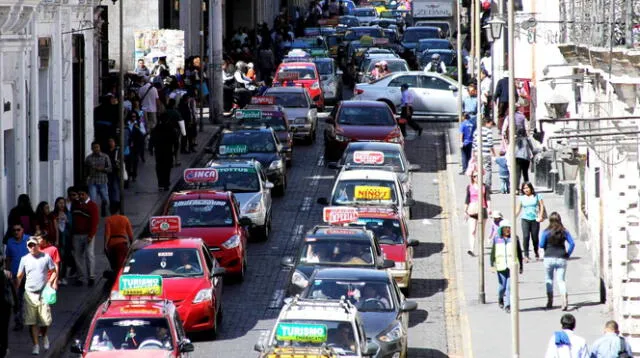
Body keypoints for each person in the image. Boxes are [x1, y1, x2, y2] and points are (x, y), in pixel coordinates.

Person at [15, 236, 57, 355]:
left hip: (43, 294)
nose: (32, 247)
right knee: (32, 322)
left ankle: (44, 336)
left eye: (34, 245)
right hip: (29, 294)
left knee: (45, 321)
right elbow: (19, 276)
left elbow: (53, 271)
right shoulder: (24, 259)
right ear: (27, 247)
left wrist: (50, 283)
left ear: (38, 245)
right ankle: (36, 345)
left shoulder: (46, 257)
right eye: (30, 245)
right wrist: (15, 289)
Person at [539, 212, 575, 311]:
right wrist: (568, 254)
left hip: (549, 257)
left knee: (549, 279)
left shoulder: (546, 232)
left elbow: (541, 244)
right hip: (561, 257)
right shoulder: (564, 231)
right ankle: (564, 300)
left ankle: (550, 301)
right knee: (561, 280)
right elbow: (572, 244)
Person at [489, 220, 523, 312]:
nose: (508, 230)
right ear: (501, 229)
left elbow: (519, 252)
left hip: (512, 267)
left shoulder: (515, 238)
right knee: (502, 287)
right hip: (501, 266)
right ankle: (500, 298)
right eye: (506, 228)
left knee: (509, 287)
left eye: (509, 228)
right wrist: (492, 264)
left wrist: (521, 266)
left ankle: (508, 305)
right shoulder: (496, 239)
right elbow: (493, 253)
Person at [71, 185, 99, 286]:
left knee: (89, 255)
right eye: (80, 194)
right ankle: (80, 277)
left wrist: (91, 235)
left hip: (87, 234)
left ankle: (91, 276)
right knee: (77, 256)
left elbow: (94, 222)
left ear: (87, 194)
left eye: (83, 194)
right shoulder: (75, 205)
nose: (81, 196)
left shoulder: (92, 206)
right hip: (76, 235)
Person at [5, 223, 29, 331]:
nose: (16, 232)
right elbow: (8, 258)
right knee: (17, 300)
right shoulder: (10, 242)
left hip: (29, 275)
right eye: (14, 230)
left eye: (18, 230)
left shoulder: (29, 240)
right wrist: (8, 272)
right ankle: (18, 321)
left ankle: (31, 320)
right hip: (15, 276)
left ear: (22, 230)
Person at [516, 182, 546, 262]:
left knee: (535, 237)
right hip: (525, 219)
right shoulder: (521, 198)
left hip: (535, 219)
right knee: (526, 236)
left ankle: (536, 251)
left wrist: (540, 215)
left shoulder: (537, 196)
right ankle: (526, 255)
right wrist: (514, 216)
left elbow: (542, 206)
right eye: (524, 188)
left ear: (531, 188)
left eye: (527, 188)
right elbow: (518, 209)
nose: (526, 190)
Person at [464, 170, 491, 256]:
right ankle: (471, 249)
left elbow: (487, 198)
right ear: (472, 177)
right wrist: (465, 211)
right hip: (472, 210)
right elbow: (467, 199)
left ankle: (481, 248)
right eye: (474, 176)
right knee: (472, 230)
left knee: (481, 231)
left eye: (478, 176)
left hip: (482, 209)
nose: (476, 177)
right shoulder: (469, 187)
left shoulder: (485, 187)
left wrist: (489, 208)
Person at [104, 203, 134, 273]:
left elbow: (107, 234)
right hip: (122, 244)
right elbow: (130, 234)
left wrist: (105, 245)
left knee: (114, 265)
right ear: (118, 210)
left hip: (112, 245)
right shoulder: (125, 219)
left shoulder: (108, 220)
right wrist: (132, 243)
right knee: (122, 265)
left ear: (110, 210)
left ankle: (115, 278)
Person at [85, 141, 112, 217]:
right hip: (92, 181)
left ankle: (106, 212)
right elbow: (85, 170)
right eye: (94, 147)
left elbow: (110, 169)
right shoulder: (88, 158)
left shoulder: (105, 157)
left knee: (106, 199)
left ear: (100, 148)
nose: (96, 149)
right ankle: (94, 215)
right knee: (93, 200)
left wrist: (102, 169)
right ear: (91, 148)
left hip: (102, 181)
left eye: (97, 147)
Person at [151, 113, 177, 191]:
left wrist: (151, 149)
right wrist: (175, 151)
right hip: (168, 152)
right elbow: (175, 141)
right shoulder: (170, 128)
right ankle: (166, 183)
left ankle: (161, 183)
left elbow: (152, 139)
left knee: (159, 168)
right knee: (167, 168)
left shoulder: (157, 128)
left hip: (159, 152)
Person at [52, 197, 73, 286]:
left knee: (64, 258)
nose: (61, 205)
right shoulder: (53, 214)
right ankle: (57, 276)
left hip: (66, 238)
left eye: (63, 203)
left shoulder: (68, 213)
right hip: (57, 239)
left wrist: (67, 221)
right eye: (59, 203)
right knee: (57, 259)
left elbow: (71, 226)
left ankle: (63, 276)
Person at [0, 255, 17, 358]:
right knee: (3, 329)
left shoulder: (6, 275)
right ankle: (4, 349)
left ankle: (4, 349)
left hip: (4, 307)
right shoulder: (6, 275)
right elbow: (12, 292)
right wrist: (16, 307)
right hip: (5, 307)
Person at [472, 117, 496, 188]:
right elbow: (490, 143)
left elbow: (474, 143)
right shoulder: (488, 131)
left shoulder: (476, 131)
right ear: (487, 123)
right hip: (486, 154)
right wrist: (494, 153)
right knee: (488, 170)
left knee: (478, 170)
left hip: (477, 153)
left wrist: (473, 153)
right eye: (491, 124)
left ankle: (479, 185)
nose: (491, 126)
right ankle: (488, 187)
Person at [137, 76, 160, 146]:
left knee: (144, 125)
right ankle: (151, 139)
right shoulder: (154, 89)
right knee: (153, 125)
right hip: (153, 109)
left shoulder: (141, 89)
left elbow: (139, 98)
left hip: (143, 110)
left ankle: (146, 140)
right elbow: (157, 101)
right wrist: (158, 110)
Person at [105, 138, 121, 207]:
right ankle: (111, 201)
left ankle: (116, 202)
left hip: (115, 171)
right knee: (109, 187)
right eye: (109, 141)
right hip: (108, 171)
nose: (110, 143)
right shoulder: (106, 151)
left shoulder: (117, 150)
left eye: (112, 141)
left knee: (115, 186)